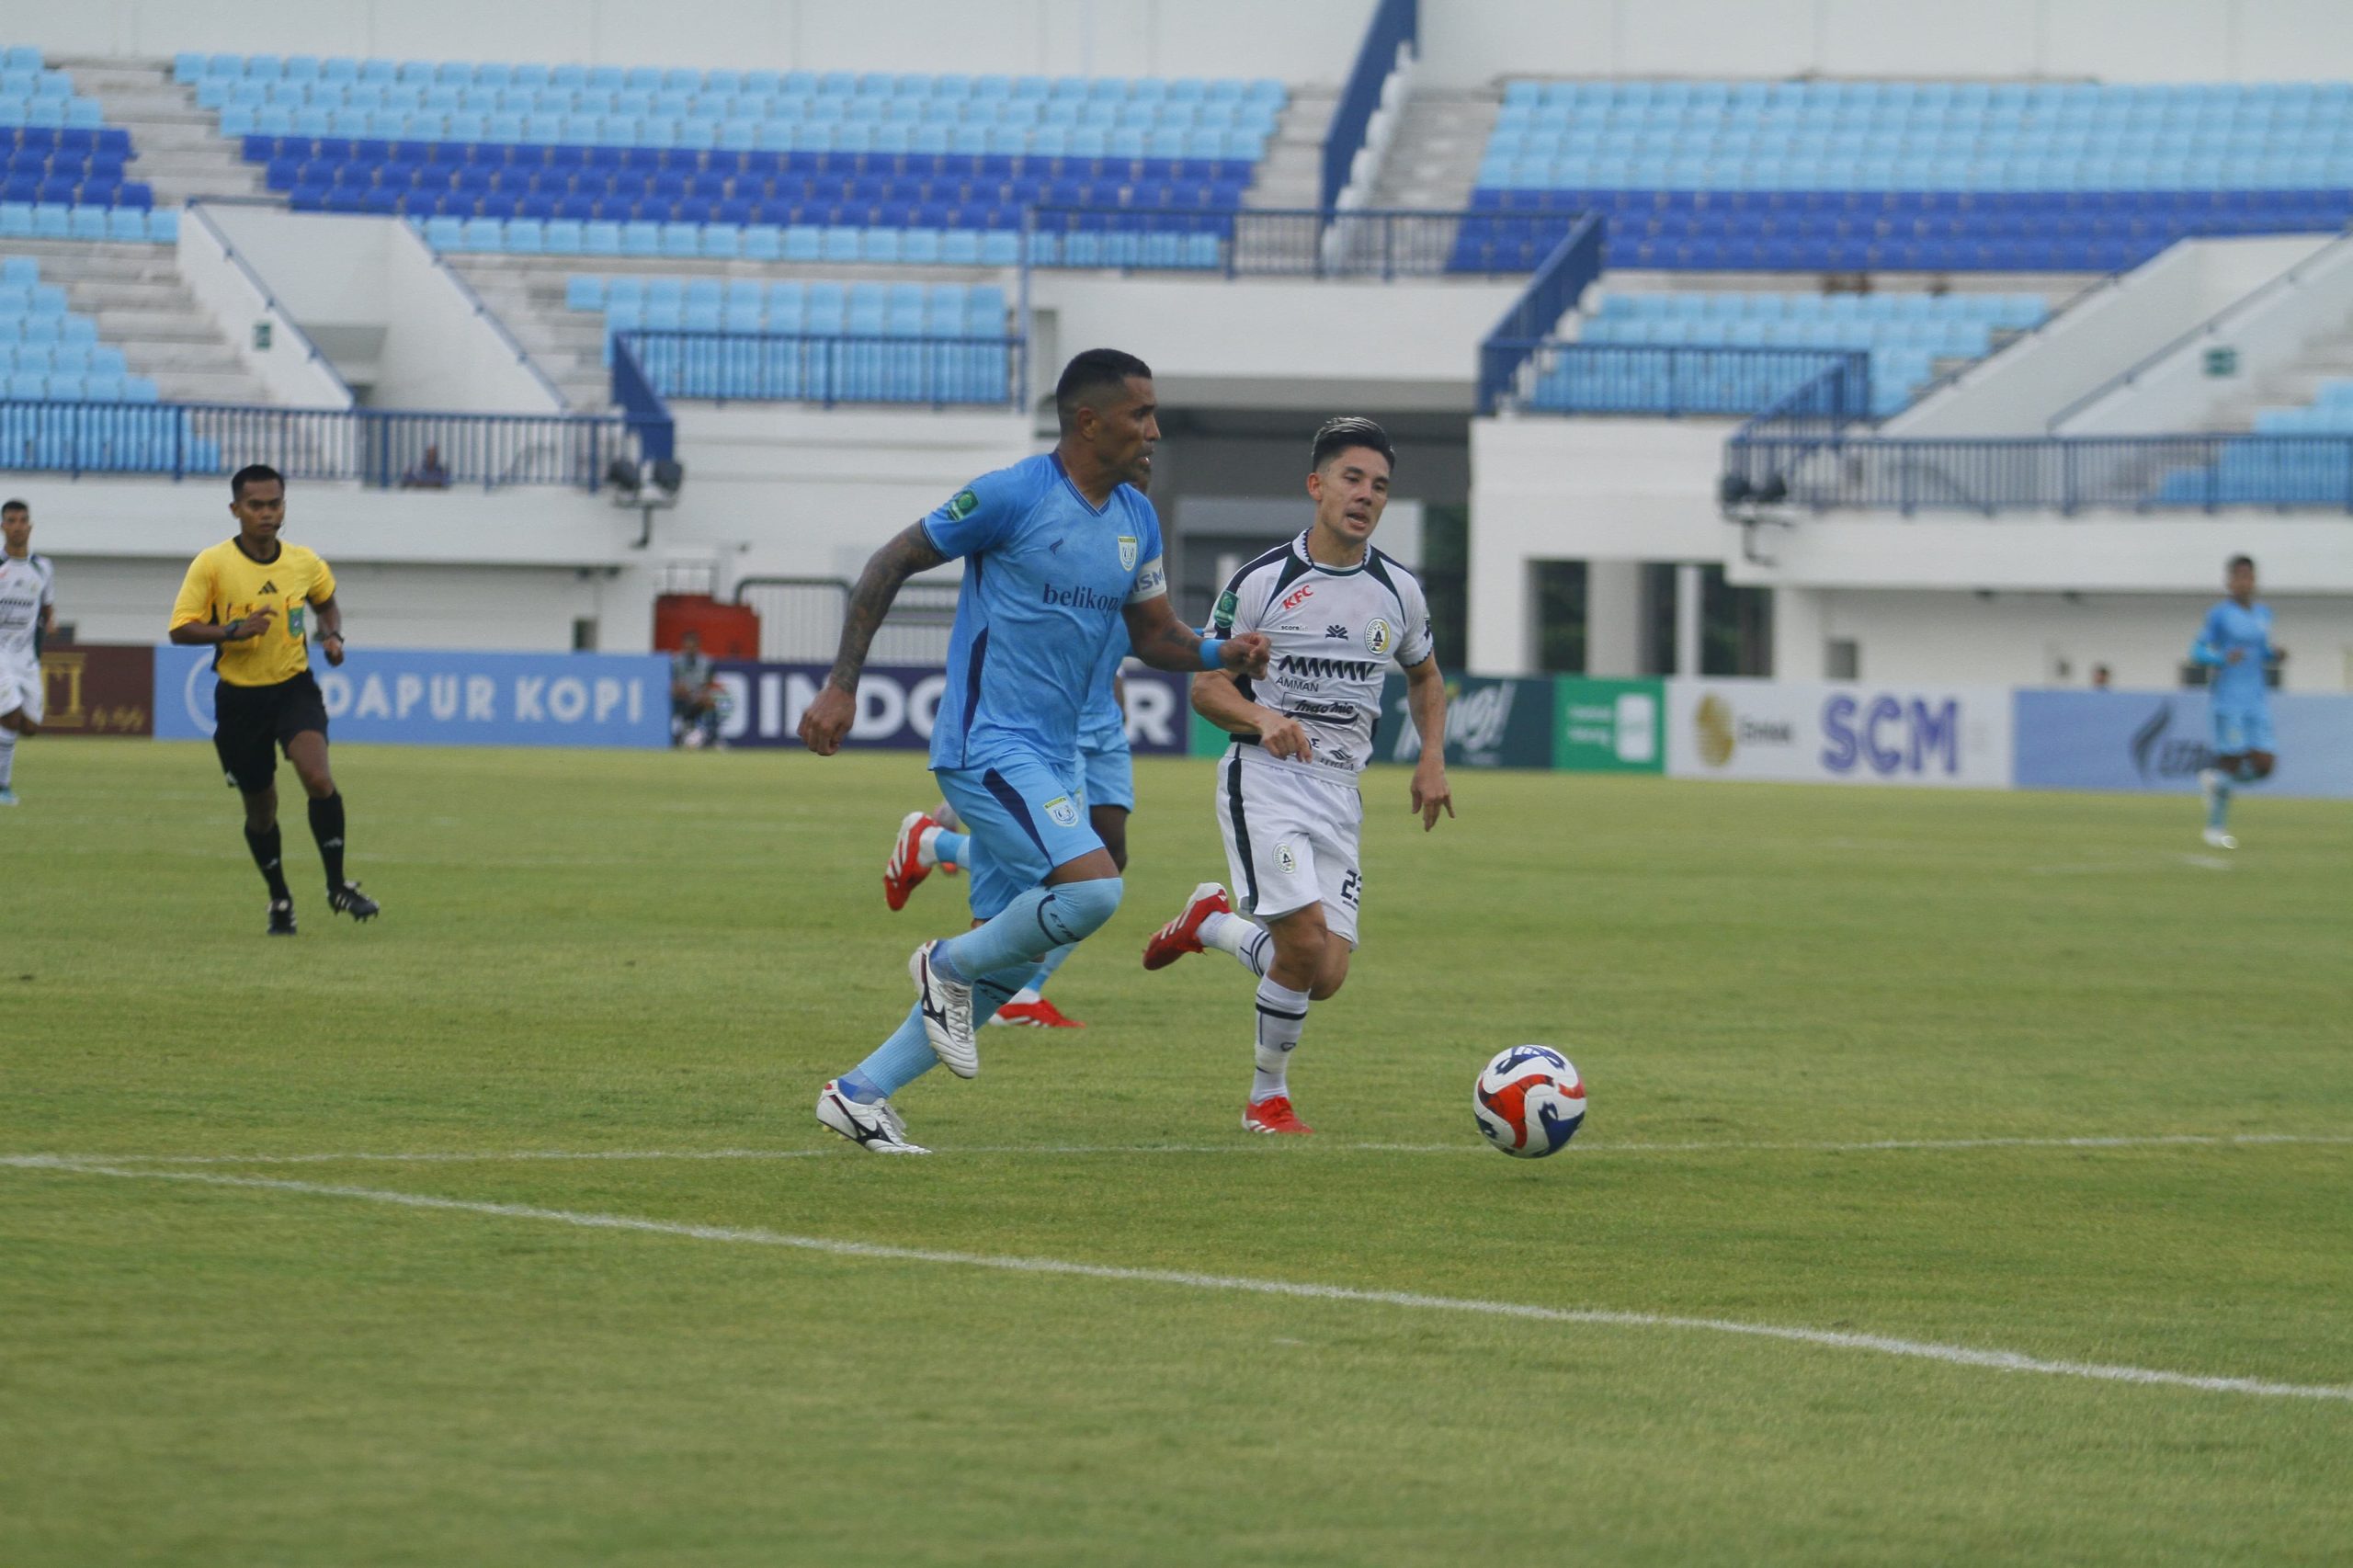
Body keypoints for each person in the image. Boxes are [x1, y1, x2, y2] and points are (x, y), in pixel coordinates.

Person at [801, 347, 1269, 1154]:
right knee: (1093, 891)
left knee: (1019, 955)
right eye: (1140, 414)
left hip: (1058, 758)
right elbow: (891, 561)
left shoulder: (1134, 518)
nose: (1154, 431)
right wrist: (842, 685)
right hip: (986, 745)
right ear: (1089, 422)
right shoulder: (1012, 495)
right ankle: (945, 963)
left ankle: (860, 1093)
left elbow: (1154, 635)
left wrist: (1218, 652)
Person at [1140, 416, 1452, 1136]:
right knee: (1304, 946)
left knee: (1326, 974)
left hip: (1340, 793)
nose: (1366, 495)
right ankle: (1266, 1100)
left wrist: (1432, 757)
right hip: (1266, 780)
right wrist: (1262, 719)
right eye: (1352, 478)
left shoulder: (1399, 591)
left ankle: (1212, 923)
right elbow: (1206, 688)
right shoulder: (1262, 582)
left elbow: (1426, 676)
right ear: (1317, 485)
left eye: (1380, 486)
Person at [167, 464, 380, 935]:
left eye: (275, 504)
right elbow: (180, 628)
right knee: (261, 811)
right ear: (235, 509)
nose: (266, 513)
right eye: (256, 505)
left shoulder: (304, 562)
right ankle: (280, 898)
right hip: (240, 702)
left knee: (318, 778)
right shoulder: (213, 564)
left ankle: (338, 886)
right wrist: (232, 631)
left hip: (293, 689)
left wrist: (333, 635)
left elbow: (326, 603)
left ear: (284, 506)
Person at [883, 660, 1133, 1028]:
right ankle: (1019, 992)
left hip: (1107, 722)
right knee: (1069, 865)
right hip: (1062, 723)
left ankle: (935, 842)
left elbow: (1141, 636)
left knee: (1110, 856)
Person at [2193, 554, 2283, 851]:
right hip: (2228, 698)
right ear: (2230, 581)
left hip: (2256, 699)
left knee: (2265, 764)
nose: (2245, 582)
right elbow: (2196, 651)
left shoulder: (2263, 614)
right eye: (2240, 577)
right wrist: (2220, 658)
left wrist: (2274, 655)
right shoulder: (2219, 615)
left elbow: (2261, 650)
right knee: (2231, 761)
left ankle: (2215, 780)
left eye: (2250, 577)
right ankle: (2215, 828)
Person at [0, 498, 56, 807]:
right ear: (2, 527)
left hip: (26, 657)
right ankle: (3, 786)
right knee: (10, 715)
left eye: (22, 521)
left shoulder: (42, 568)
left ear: (30, 526)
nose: (17, 527)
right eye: (11, 521)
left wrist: (50, 623)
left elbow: (47, 607)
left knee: (30, 726)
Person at [670, 630, 722, 749]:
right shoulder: (675, 661)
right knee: (672, 700)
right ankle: (676, 737)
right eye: (687, 647)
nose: (690, 649)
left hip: (698, 697)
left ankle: (714, 739)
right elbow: (673, 683)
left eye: (692, 647)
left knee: (710, 703)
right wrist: (680, 690)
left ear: (697, 646)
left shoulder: (706, 661)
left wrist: (703, 694)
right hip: (681, 698)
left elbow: (708, 683)